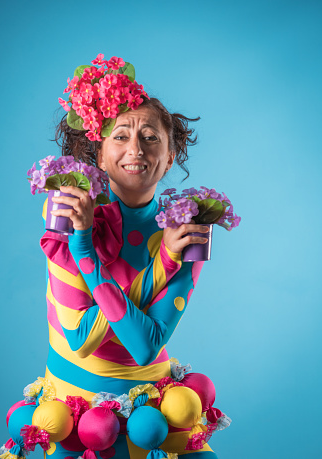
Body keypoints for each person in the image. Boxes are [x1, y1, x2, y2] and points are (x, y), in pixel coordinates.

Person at [40, 91, 219, 458]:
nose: (136, 149)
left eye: (150, 137)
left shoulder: (189, 231)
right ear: (100, 154)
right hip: (73, 417)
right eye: (120, 136)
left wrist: (87, 255)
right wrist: (163, 262)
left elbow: (145, 346)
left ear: (168, 159)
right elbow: (79, 337)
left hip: (154, 415)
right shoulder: (67, 214)